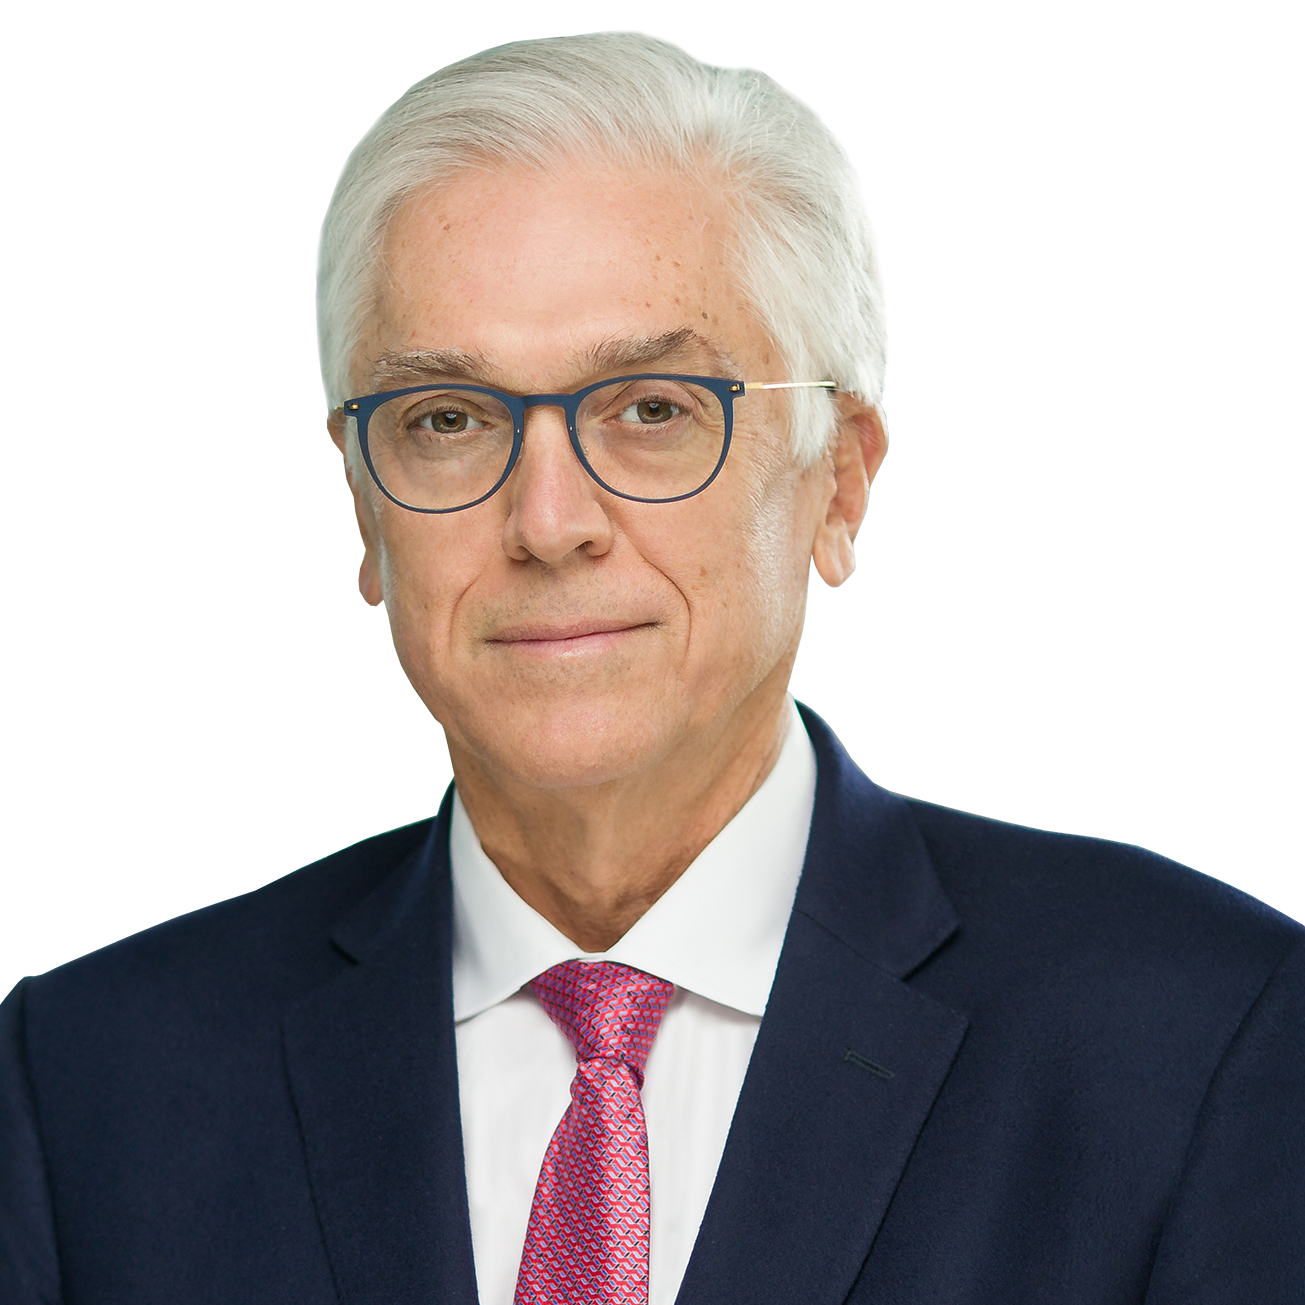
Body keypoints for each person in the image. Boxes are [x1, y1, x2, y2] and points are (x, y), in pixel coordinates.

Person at [2, 31, 1301, 1305]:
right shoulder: (86, 1087)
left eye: (650, 407)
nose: (548, 519)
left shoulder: (1208, 1038)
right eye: (447, 420)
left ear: (837, 481)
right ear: (362, 508)